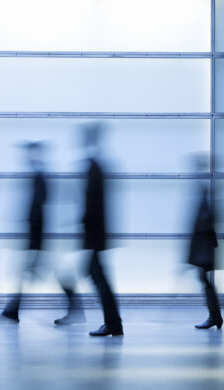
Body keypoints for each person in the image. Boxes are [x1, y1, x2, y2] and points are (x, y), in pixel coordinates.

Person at [0, 142, 84, 324]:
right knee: (41, 272)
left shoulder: (40, 177)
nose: (26, 156)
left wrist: (30, 227)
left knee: (30, 272)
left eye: (29, 153)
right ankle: (13, 311)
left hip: (37, 234)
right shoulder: (39, 176)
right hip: (37, 234)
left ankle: (12, 312)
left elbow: (39, 207)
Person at [82, 122, 123, 337]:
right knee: (95, 274)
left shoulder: (93, 167)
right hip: (98, 234)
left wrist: (83, 221)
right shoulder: (98, 166)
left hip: (94, 235)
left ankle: (113, 323)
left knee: (98, 276)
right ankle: (113, 322)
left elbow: (92, 204)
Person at [188, 155, 222, 330]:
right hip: (204, 242)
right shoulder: (207, 185)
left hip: (204, 242)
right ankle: (215, 316)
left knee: (204, 278)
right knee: (204, 278)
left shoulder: (204, 185)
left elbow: (205, 217)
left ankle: (215, 316)